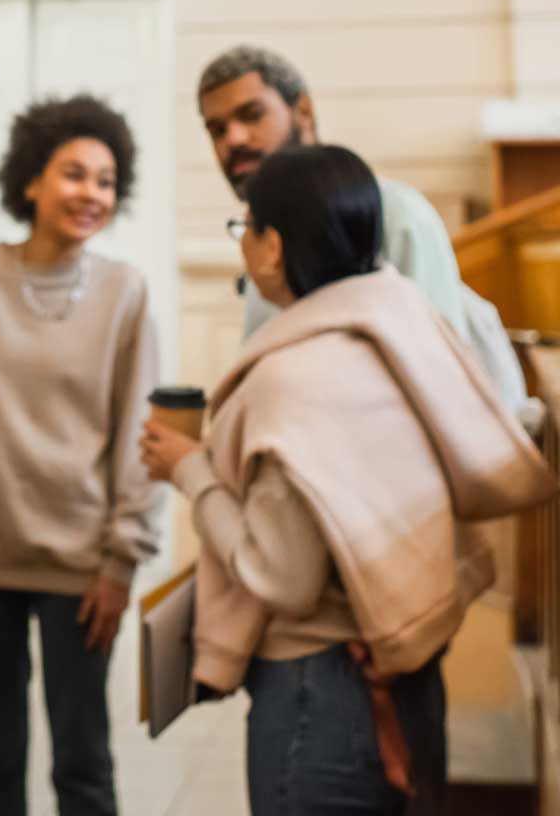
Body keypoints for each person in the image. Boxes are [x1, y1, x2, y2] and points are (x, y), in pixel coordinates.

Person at [141, 145, 554, 816]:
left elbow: (284, 575)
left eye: (245, 226)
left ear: (272, 247)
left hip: (319, 694)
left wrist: (190, 472)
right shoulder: (403, 328)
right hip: (406, 673)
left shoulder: (294, 377)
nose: (242, 243)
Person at [0, 94, 160, 816]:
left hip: (82, 565)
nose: (92, 194)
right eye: (74, 174)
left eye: (107, 181)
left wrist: (122, 561)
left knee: (83, 763)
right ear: (30, 181)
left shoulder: (124, 292)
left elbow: (137, 434)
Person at [195, 45, 469, 340]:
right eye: (217, 130)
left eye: (251, 114)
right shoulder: (258, 232)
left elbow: (436, 359)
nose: (233, 139)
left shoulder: (396, 212)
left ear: (303, 111)